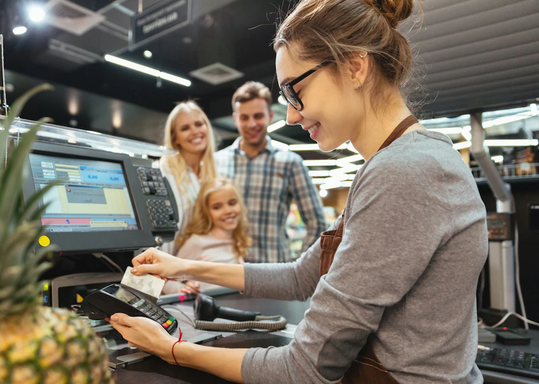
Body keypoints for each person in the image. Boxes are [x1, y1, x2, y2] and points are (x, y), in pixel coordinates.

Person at [108, 0, 488, 383]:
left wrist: (172, 350)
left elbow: (305, 368)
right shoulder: (404, 161)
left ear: (355, 66)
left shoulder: (404, 172)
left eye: (296, 89)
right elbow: (299, 277)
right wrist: (182, 266)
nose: (290, 114)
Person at [214, 81, 326, 263]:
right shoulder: (216, 162)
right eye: (244, 117)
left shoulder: (290, 163)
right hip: (225, 273)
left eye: (258, 116)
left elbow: (317, 224)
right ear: (235, 119)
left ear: (270, 116)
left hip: (274, 276)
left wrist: (299, 268)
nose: (251, 124)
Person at [162, 178, 252, 295]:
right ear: (206, 212)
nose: (228, 211)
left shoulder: (236, 239)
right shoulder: (197, 243)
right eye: (217, 207)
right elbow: (166, 279)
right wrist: (183, 289)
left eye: (232, 203)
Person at [160, 101, 218, 254]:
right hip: (163, 268)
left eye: (199, 124)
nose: (194, 131)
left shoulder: (212, 175)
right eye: (185, 128)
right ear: (175, 138)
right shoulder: (162, 172)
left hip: (193, 269)